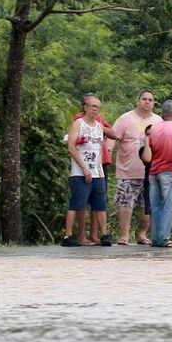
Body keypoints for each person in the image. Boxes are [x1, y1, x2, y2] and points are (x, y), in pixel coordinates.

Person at [62, 94, 120, 247]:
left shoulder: (99, 126)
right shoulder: (78, 124)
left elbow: (113, 136)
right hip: (81, 171)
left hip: (97, 171)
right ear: (86, 107)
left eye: (97, 107)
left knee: (100, 205)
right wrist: (84, 169)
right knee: (77, 204)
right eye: (92, 106)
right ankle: (68, 235)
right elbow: (71, 147)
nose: (95, 110)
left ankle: (104, 234)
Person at [111, 89, 161, 245]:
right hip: (128, 170)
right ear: (138, 100)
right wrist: (108, 150)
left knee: (147, 205)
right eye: (144, 99)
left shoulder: (158, 121)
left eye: (150, 100)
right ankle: (124, 235)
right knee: (126, 204)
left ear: (154, 103)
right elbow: (113, 137)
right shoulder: (125, 118)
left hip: (150, 171)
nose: (147, 102)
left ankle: (142, 234)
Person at [144, 100, 172, 248]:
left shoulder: (154, 129)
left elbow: (149, 150)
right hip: (169, 171)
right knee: (169, 206)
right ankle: (163, 238)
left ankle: (156, 238)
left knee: (156, 206)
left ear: (162, 114)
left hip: (153, 171)